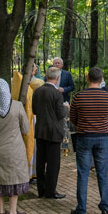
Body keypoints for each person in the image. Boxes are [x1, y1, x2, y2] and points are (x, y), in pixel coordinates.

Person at [69, 67, 108, 214]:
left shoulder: (78, 97)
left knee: (83, 173)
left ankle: (81, 208)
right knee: (103, 173)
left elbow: (73, 118)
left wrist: (82, 124)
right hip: (102, 137)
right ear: (101, 80)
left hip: (84, 136)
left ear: (88, 78)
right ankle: (105, 206)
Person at [0, 78, 31, 214]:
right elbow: (25, 129)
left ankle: (0, 212)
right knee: (15, 178)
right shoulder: (17, 106)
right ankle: (12, 212)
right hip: (15, 150)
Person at [32, 66, 69, 199]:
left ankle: (41, 190)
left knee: (40, 161)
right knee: (53, 164)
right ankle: (50, 191)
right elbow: (61, 114)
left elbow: (34, 110)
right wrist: (66, 108)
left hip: (40, 130)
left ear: (46, 76)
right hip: (54, 132)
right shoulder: (57, 93)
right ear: (57, 78)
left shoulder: (37, 91)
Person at [10, 65, 37, 181]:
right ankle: (27, 173)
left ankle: (30, 172)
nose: (35, 70)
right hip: (28, 119)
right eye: (34, 68)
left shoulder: (21, 82)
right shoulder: (22, 84)